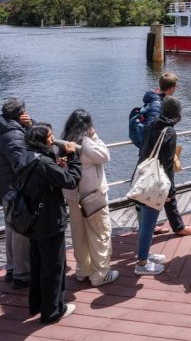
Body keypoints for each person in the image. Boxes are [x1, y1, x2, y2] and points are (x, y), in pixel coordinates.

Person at [17, 123, 81, 324]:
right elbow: (71, 181)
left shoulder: (25, 157)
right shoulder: (44, 163)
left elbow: (41, 179)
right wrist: (73, 158)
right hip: (50, 221)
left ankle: (35, 304)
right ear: (42, 140)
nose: (53, 139)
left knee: (37, 264)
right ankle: (53, 310)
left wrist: (55, 163)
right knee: (54, 267)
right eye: (50, 136)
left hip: (32, 220)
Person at [139, 73, 191, 236]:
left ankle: (149, 226)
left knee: (146, 190)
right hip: (155, 157)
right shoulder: (157, 106)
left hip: (148, 153)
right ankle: (175, 227)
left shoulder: (154, 99)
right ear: (172, 87)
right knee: (165, 188)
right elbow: (152, 130)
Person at [60, 110, 118, 287]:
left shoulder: (65, 141)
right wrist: (95, 137)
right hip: (93, 196)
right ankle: (100, 274)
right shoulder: (86, 142)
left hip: (72, 196)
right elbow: (105, 156)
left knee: (79, 234)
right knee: (100, 232)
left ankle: (82, 270)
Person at [134, 96, 184, 275]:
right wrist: (170, 191)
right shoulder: (169, 132)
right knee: (149, 224)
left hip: (142, 177)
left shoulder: (152, 123)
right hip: (155, 182)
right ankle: (142, 264)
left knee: (145, 223)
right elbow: (168, 164)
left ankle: (144, 253)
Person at [0, 97, 31, 288]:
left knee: (10, 228)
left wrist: (29, 126)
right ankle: (22, 274)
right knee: (20, 232)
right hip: (14, 190)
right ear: (19, 114)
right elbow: (22, 163)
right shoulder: (14, 135)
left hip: (5, 188)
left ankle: (11, 267)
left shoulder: (6, 129)